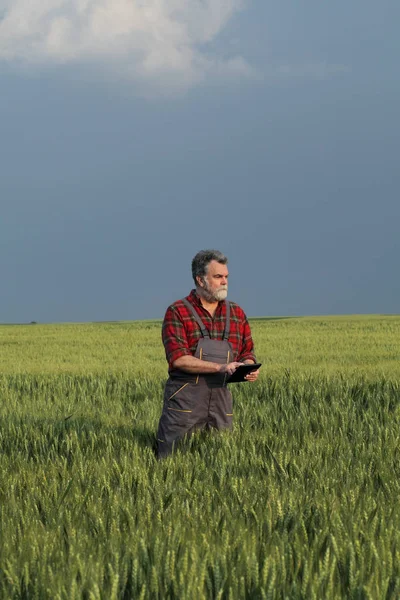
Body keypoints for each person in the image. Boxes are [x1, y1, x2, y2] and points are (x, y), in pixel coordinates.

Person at [156, 249, 259, 458]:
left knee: (219, 462)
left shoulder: (237, 313)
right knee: (172, 461)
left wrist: (248, 367)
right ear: (200, 280)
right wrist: (220, 367)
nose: (224, 282)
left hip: (221, 404)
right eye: (218, 277)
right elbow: (178, 358)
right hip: (185, 405)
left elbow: (247, 351)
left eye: (226, 277)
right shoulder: (177, 311)